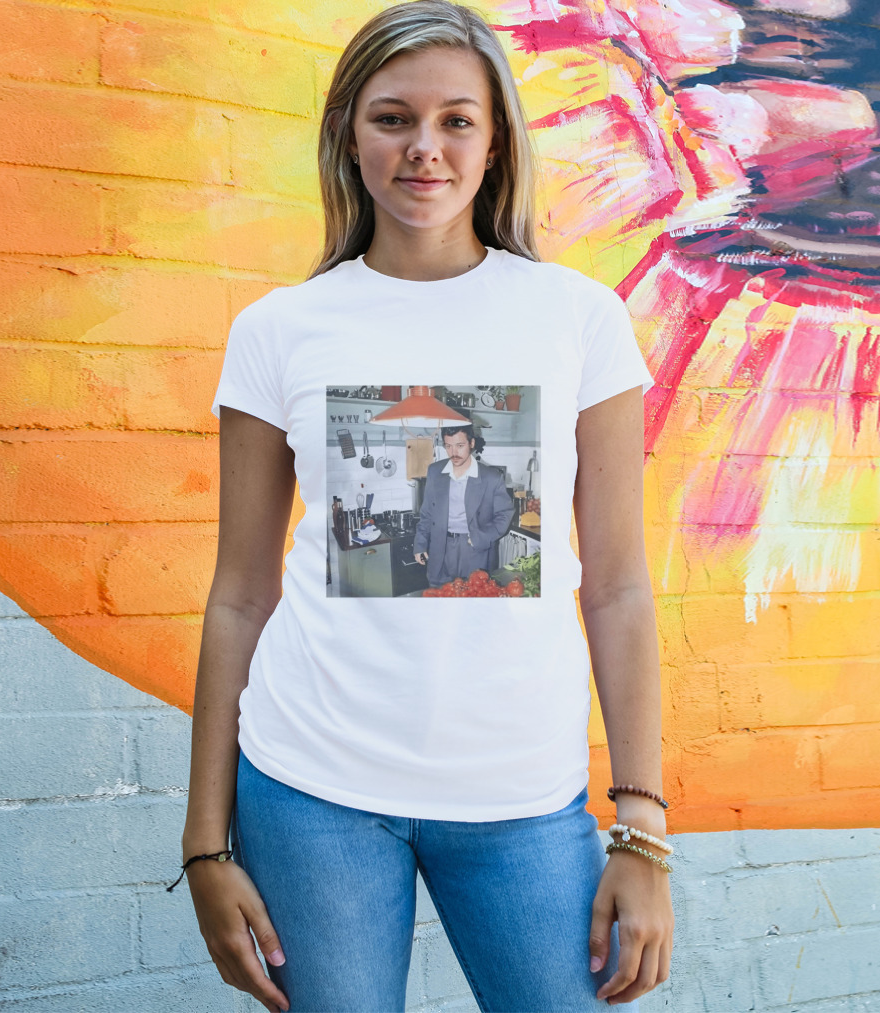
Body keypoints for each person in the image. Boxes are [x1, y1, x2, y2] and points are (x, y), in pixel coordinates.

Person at [180, 2, 674, 1011]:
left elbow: (618, 585)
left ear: (495, 145)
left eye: (457, 120)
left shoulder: (577, 318)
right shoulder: (280, 329)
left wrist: (641, 824)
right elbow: (239, 594)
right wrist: (202, 845)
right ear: (349, 135)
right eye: (393, 118)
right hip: (310, 787)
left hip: (525, 799)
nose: (425, 149)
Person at [413, 424, 514, 584]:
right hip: (441, 547)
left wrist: (481, 537)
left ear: (471, 443)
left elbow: (505, 514)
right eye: (448, 446)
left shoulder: (491, 477)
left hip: (474, 549)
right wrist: (420, 543)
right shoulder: (435, 471)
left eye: (460, 446)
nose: (454, 453)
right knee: (440, 597)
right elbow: (427, 513)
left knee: (474, 599)